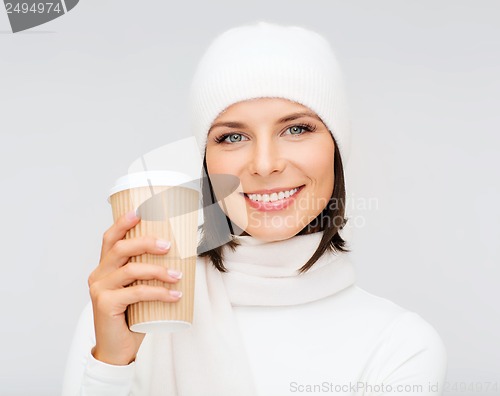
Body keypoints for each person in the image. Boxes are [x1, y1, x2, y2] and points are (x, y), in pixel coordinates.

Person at [62, 22, 447, 396]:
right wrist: (111, 365)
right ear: (206, 162)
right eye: (233, 136)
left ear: (337, 147)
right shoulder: (128, 313)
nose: (264, 164)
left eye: (296, 129)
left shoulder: (399, 344)